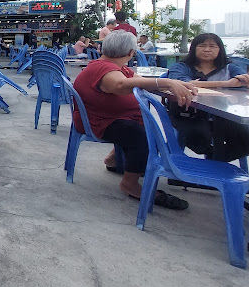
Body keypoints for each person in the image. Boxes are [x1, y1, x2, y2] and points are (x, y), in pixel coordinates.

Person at [72, 30, 196, 208]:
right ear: (131, 53)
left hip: (109, 117)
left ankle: (114, 160)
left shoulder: (117, 67)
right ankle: (130, 184)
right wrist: (168, 82)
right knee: (140, 135)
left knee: (141, 126)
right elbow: (120, 84)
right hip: (98, 122)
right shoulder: (104, 69)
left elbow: (139, 80)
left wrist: (176, 83)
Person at [167, 33, 249, 162]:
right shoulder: (182, 67)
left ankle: (213, 163)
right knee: (200, 140)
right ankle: (213, 162)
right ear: (194, 48)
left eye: (212, 46)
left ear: (220, 49)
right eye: (202, 46)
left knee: (245, 137)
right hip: (189, 115)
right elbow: (180, 83)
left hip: (224, 115)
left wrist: (243, 81)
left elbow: (243, 80)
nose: (207, 49)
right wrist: (226, 84)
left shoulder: (229, 67)